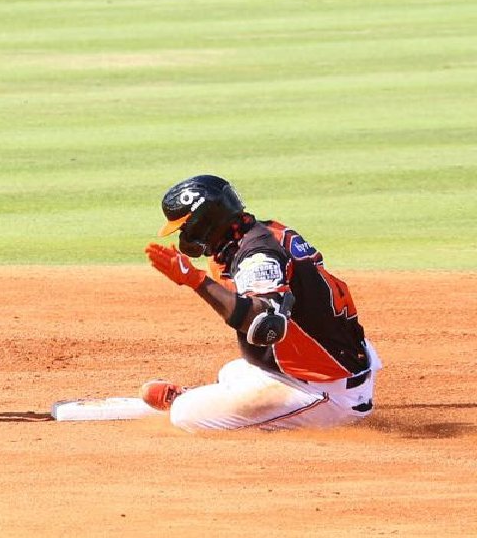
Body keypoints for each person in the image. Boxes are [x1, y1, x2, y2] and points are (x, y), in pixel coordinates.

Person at [141, 174, 382, 432]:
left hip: (326, 388)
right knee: (232, 372)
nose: (184, 235)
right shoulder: (257, 235)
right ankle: (218, 401)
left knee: (184, 414)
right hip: (332, 361)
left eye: (186, 226)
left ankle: (308, 417)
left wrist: (195, 280)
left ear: (206, 220)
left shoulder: (259, 255)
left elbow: (265, 325)